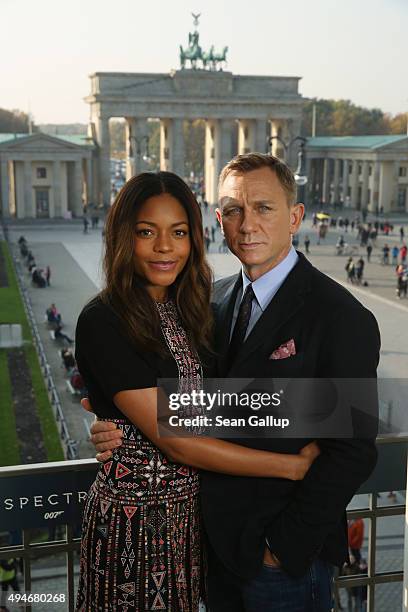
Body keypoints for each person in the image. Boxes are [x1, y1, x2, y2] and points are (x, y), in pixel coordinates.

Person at [89, 154, 379, 612]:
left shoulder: (341, 316)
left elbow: (354, 449)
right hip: (210, 548)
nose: (247, 226)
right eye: (233, 211)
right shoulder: (210, 301)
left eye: (264, 208)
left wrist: (280, 549)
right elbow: (200, 405)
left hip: (279, 558)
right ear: (218, 221)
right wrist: (120, 420)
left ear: (295, 217)